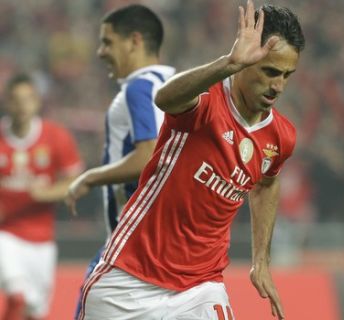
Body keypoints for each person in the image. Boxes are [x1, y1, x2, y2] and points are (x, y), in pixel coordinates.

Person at [78, 1, 305, 319]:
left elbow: (266, 183)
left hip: (200, 287)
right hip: (129, 276)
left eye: (286, 75)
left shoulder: (281, 136)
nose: (278, 86)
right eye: (269, 71)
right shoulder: (206, 100)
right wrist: (228, 63)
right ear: (245, 62)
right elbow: (165, 98)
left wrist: (261, 261)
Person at [64, 4, 175, 319]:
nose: (100, 52)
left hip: (128, 250)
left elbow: (149, 156)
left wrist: (89, 178)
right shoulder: (174, 84)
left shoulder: (139, 88)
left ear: (135, 41)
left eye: (107, 42)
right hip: (162, 247)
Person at [0, 73, 83, 320]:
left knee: (34, 311)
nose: (22, 106)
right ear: (7, 103)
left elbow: (76, 180)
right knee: (17, 295)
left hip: (42, 241)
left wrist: (46, 193)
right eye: (16, 100)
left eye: (28, 99)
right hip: (6, 234)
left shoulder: (56, 136)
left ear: (37, 102)